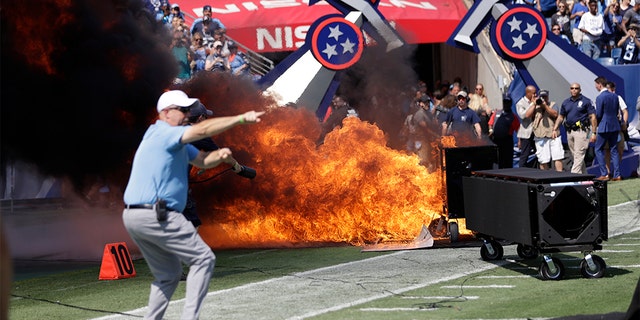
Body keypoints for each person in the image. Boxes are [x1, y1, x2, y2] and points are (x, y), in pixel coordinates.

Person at [122, 90, 264, 320]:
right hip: (158, 213)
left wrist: (220, 157)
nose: (188, 114)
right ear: (166, 113)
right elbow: (203, 130)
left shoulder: (172, 137)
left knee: (168, 276)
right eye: (183, 110)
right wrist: (240, 119)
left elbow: (201, 161)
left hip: (135, 217)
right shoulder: (163, 132)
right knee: (203, 259)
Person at [553, 83, 596, 174]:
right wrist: (555, 128)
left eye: (576, 88)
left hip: (583, 131)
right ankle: (585, 177)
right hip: (570, 131)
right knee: (575, 156)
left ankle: (574, 177)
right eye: (572, 88)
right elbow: (561, 117)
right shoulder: (566, 102)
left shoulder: (586, 101)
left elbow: (593, 117)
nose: (574, 90)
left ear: (580, 90)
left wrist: (593, 133)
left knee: (578, 154)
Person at [593, 76, 622, 180]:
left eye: (596, 85)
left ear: (600, 85)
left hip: (604, 126)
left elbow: (599, 114)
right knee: (614, 150)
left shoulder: (600, 97)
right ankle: (617, 175)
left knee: (598, 149)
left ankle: (604, 173)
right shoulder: (615, 96)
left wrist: (596, 125)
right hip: (614, 125)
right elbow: (616, 112)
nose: (596, 87)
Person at [532, 90, 564, 171]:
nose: (543, 99)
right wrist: (533, 104)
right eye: (541, 97)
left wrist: (545, 106)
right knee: (543, 160)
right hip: (540, 136)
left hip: (554, 135)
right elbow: (527, 115)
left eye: (545, 97)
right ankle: (545, 177)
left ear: (548, 97)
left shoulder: (553, 104)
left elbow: (555, 114)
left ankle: (559, 176)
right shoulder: (535, 106)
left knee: (558, 157)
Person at [489, 94, 520, 168]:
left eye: (508, 102)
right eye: (505, 102)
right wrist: (490, 130)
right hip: (496, 140)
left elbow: (518, 129)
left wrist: (519, 140)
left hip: (507, 140)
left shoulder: (513, 116)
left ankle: (507, 175)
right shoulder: (497, 113)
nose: (506, 104)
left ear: (510, 103)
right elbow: (490, 123)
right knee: (497, 159)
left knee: (507, 160)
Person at [516, 85, 538, 168]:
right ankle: (521, 171)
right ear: (528, 93)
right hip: (526, 133)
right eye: (533, 93)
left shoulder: (536, 101)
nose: (535, 95)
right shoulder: (520, 103)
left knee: (539, 154)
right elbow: (524, 115)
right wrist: (532, 104)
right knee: (525, 154)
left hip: (536, 132)